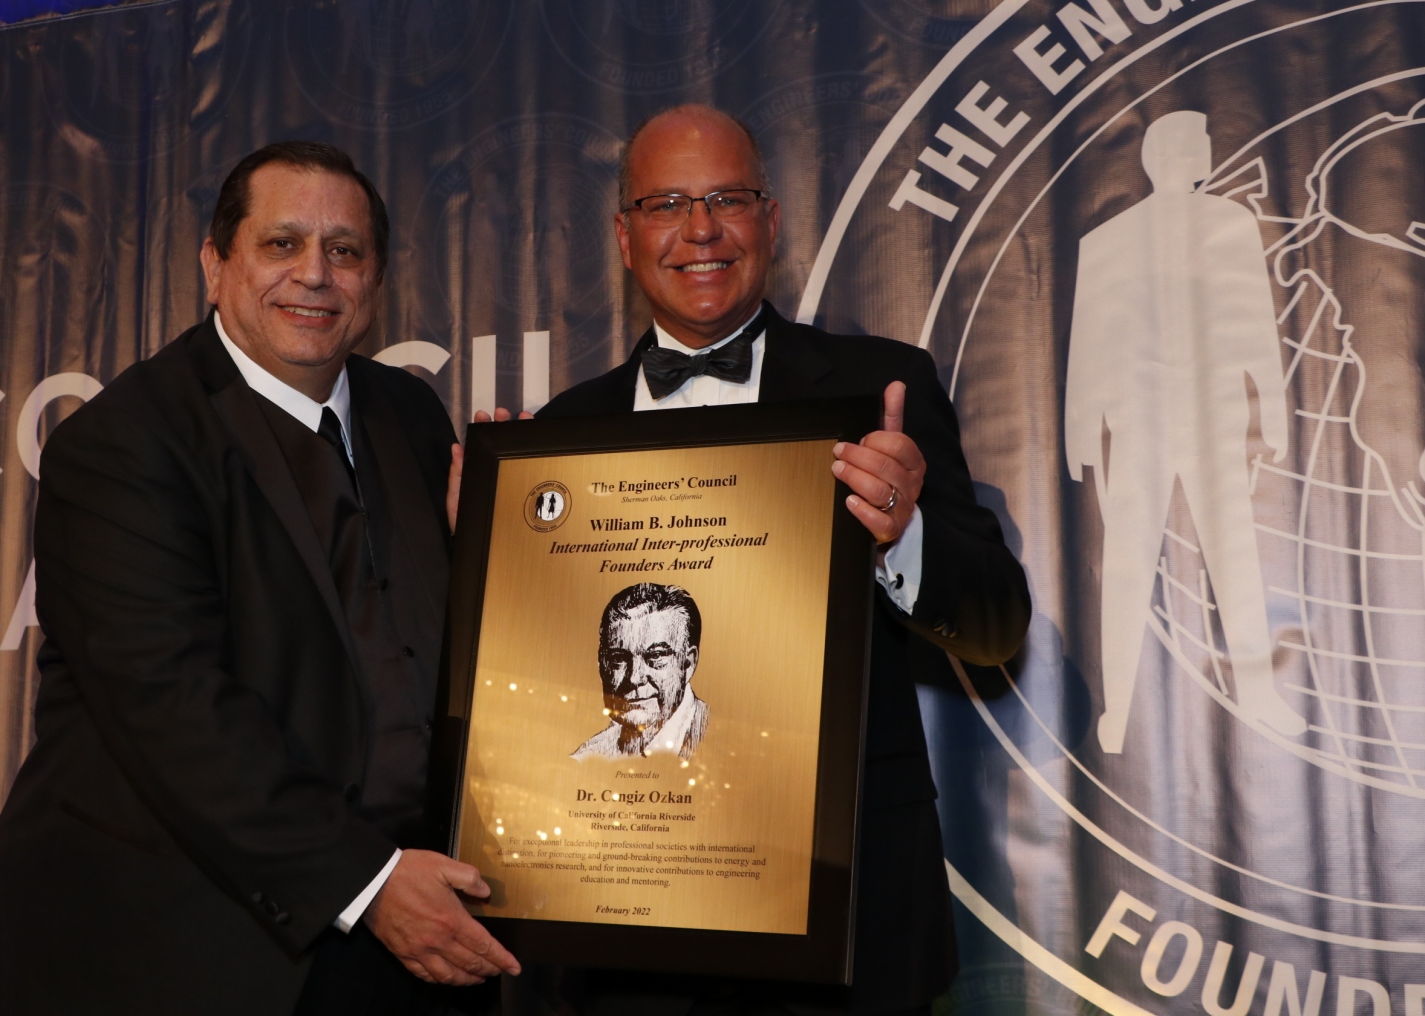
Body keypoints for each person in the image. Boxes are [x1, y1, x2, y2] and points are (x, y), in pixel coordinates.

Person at [0, 141, 519, 1016]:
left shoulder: (411, 415)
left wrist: (500, 559)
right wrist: (369, 882)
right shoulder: (123, 442)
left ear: (374, 281)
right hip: (196, 948)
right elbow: (172, 706)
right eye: (281, 244)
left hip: (413, 929)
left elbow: (428, 658)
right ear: (214, 263)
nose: (314, 275)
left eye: (344, 251)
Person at [518, 104, 1032, 1015]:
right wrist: (494, 566)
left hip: (846, 925)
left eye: (728, 197)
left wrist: (901, 533)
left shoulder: (883, 391)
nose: (701, 229)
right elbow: (532, 698)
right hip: (625, 934)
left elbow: (996, 625)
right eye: (667, 203)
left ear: (773, 220)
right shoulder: (561, 435)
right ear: (626, 235)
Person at [1067, 110, 1307, 752]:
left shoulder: (1230, 225)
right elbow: (1087, 343)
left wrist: (1273, 413)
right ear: (1171, 154)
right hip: (1138, 424)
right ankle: (1116, 710)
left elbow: (1257, 326)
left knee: (1234, 559)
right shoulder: (1109, 240)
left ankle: (1257, 692)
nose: (1206, 153)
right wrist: (1078, 431)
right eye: (1199, 144)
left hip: (1213, 419)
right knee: (1127, 567)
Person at [572, 582, 709, 760]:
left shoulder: (726, 743)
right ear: (602, 665)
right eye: (618, 659)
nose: (634, 678)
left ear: (688, 664)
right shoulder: (586, 758)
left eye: (656, 656)